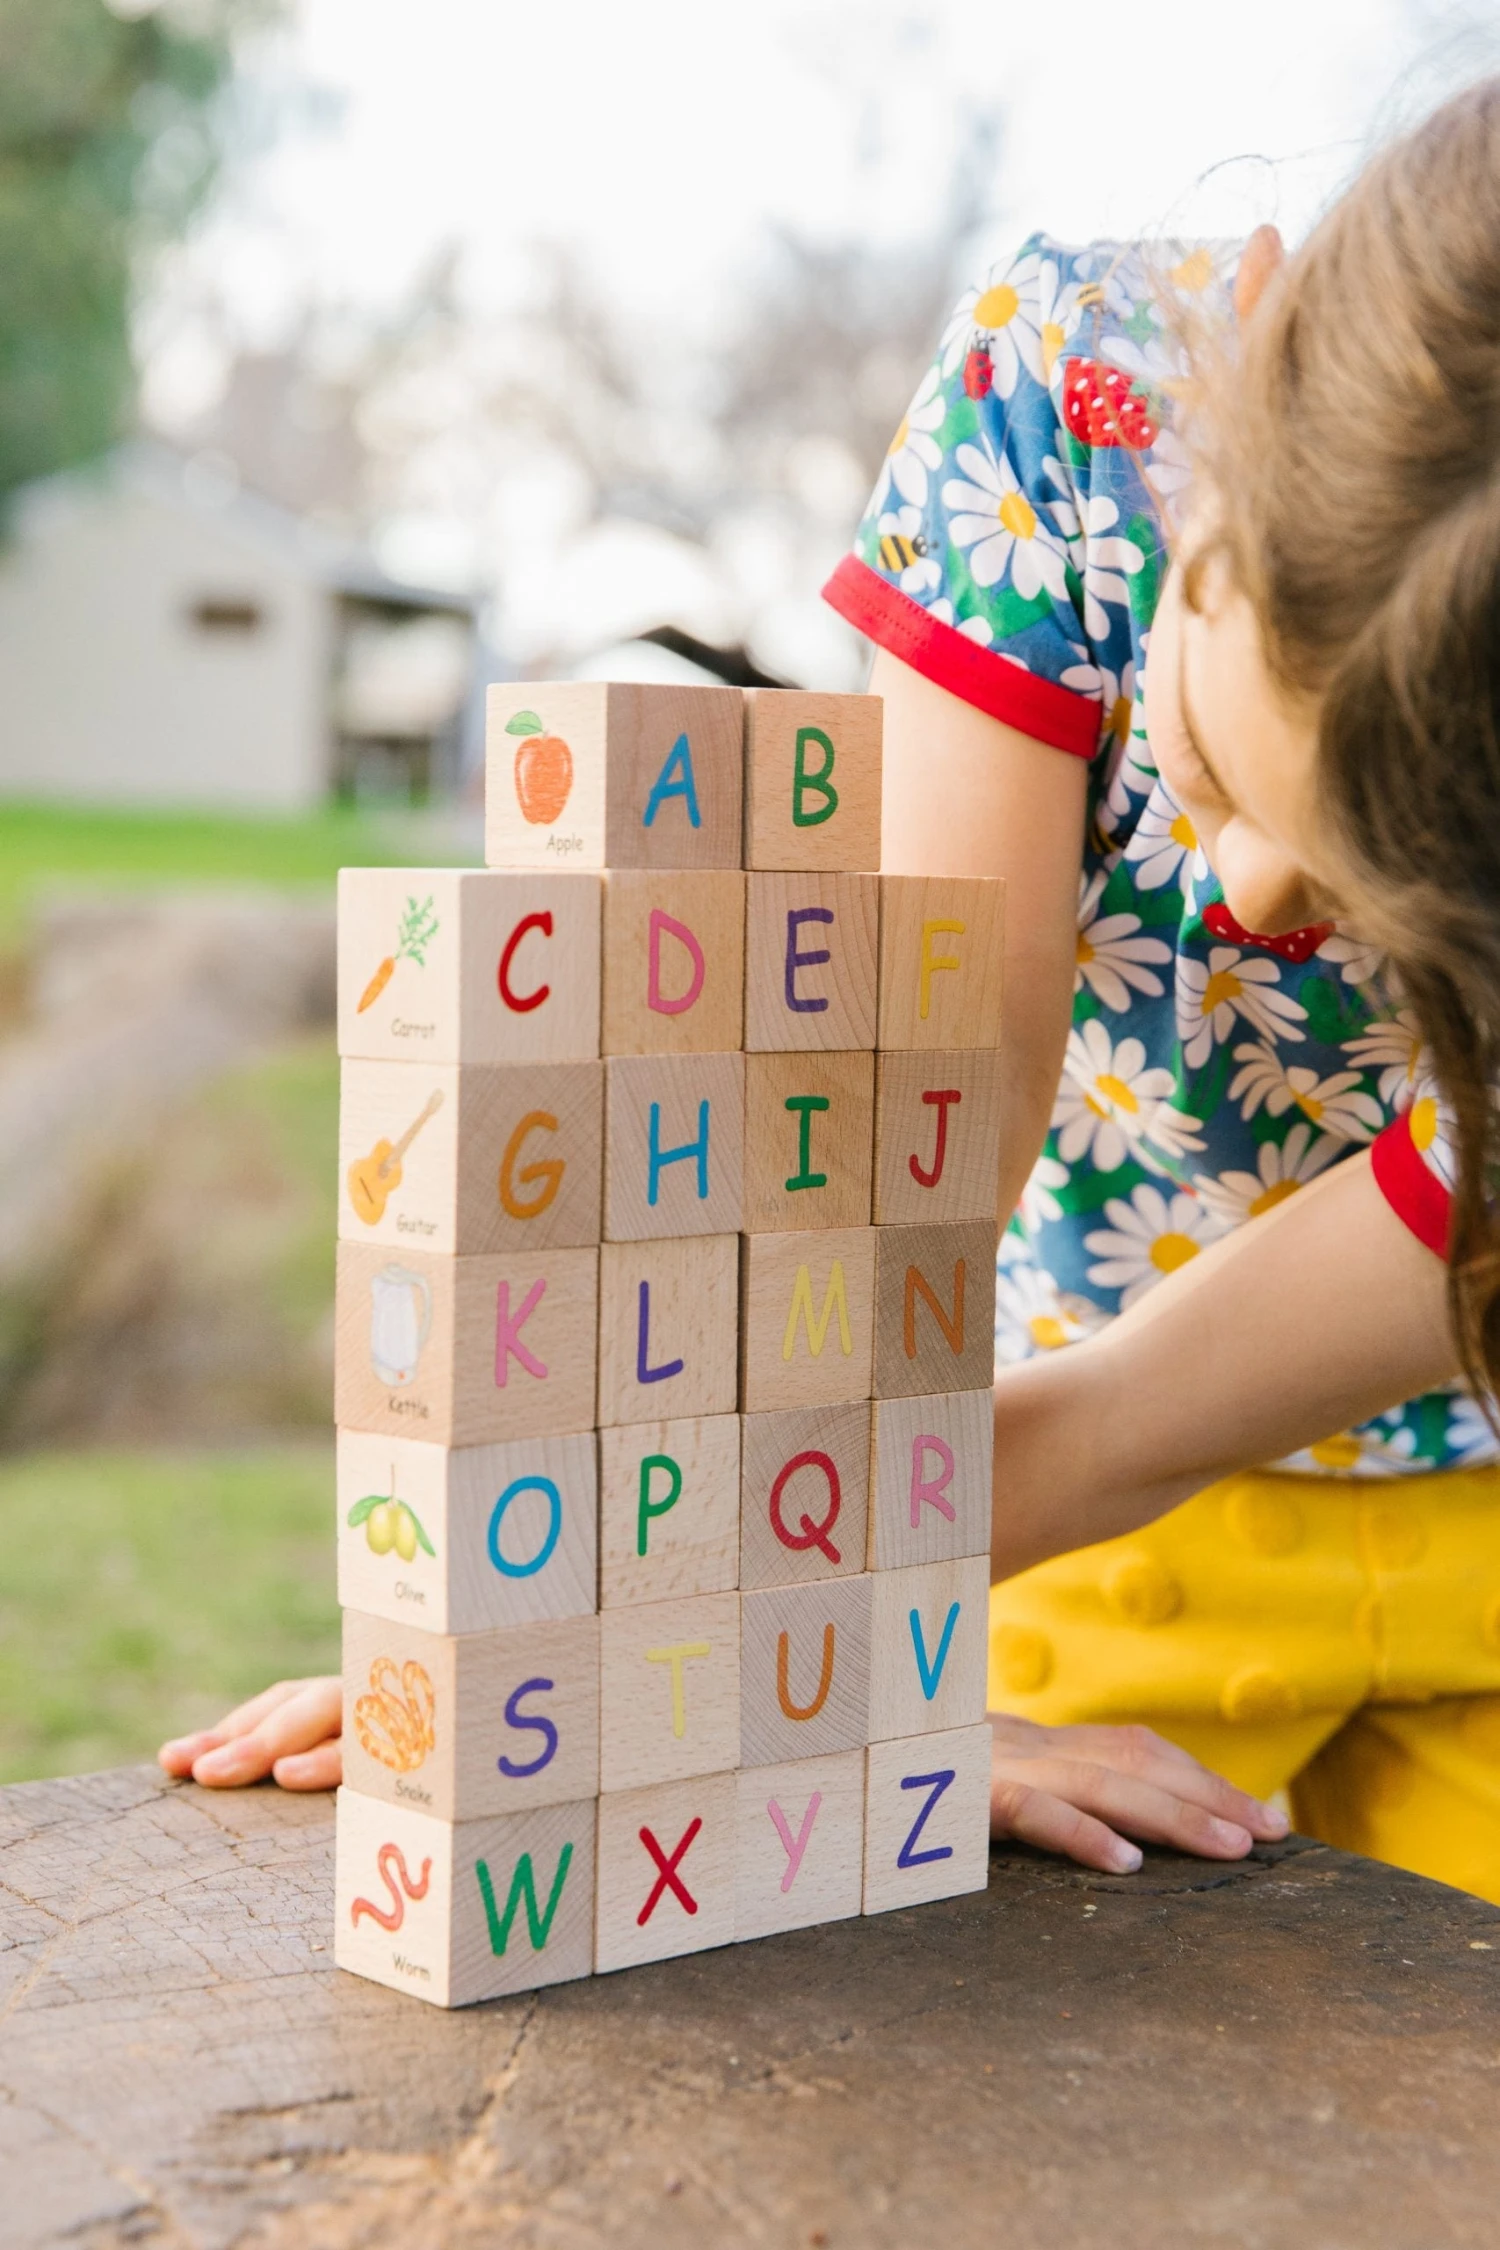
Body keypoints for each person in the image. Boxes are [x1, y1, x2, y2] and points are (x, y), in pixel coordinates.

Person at [163, 83, 1500, 1901]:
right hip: (1034, 1490)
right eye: (1215, 754)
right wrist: (616, 1646)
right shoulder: (1072, 398)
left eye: (1377, 894)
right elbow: (919, 1143)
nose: (1254, 901)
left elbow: (1152, 1405)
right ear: (1244, 368)